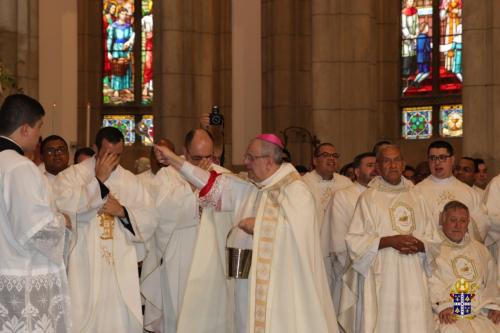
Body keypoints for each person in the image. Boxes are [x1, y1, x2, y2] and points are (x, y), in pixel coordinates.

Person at [154, 133, 339, 333]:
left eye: (250, 157)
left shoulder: (295, 190)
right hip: (247, 286)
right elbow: (210, 183)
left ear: (268, 161)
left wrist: (258, 226)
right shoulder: (252, 188)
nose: (245, 162)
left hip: (282, 290)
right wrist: (173, 159)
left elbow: (299, 238)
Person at [53, 126, 157, 332]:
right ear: (95, 149)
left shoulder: (130, 181)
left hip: (120, 266)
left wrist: (123, 212)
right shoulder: (72, 176)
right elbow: (62, 208)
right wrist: (97, 182)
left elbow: (150, 218)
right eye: (108, 154)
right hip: (84, 263)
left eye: (118, 155)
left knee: (119, 319)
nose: (113, 160)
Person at [141, 129, 235, 333]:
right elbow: (163, 215)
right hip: (180, 261)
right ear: (184, 151)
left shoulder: (222, 176)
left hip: (213, 261)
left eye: (208, 157)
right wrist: (194, 185)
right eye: (196, 158)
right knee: (181, 317)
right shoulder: (167, 174)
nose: (203, 163)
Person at [346, 145, 438, 333]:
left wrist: (421, 245)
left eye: (396, 160)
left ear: (403, 164)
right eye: (387, 161)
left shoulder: (417, 196)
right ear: (377, 167)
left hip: (414, 274)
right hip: (384, 275)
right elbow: (355, 241)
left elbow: (434, 238)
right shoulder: (368, 198)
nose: (393, 165)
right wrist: (388, 241)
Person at [0, 94, 71, 331]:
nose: (40, 135)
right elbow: (37, 230)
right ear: (25, 129)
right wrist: (63, 221)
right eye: (39, 127)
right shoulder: (19, 167)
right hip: (20, 279)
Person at [322, 152, 377, 331]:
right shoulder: (343, 197)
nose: (375, 169)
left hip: (382, 272)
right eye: (369, 165)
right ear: (356, 171)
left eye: (377, 164)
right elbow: (338, 242)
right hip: (352, 273)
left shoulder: (384, 196)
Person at [428, 200, 500, 332]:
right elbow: (430, 280)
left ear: (468, 224)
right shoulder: (433, 248)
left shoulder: (480, 249)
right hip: (449, 311)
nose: (458, 225)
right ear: (443, 220)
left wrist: (493, 306)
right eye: (453, 220)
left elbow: (492, 281)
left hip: (480, 310)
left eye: (462, 221)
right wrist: (444, 305)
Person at [414, 141, 491, 243]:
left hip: (462, 251)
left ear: (452, 160)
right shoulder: (417, 191)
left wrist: (459, 222)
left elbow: (483, 223)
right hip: (432, 252)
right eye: (432, 158)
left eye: (442, 157)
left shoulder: (469, 192)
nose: (437, 162)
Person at [302, 143, 352, 229]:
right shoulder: (304, 183)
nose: (332, 158)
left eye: (335, 156)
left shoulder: (346, 183)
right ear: (315, 160)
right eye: (325, 155)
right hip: (314, 235)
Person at [107, 7, 135, 99]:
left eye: (126, 14)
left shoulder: (128, 27)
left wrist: (129, 47)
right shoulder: (113, 26)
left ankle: (125, 87)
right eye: (122, 14)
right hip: (116, 48)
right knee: (117, 67)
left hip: (125, 49)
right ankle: (116, 89)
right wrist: (109, 51)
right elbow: (110, 39)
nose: (124, 16)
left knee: (126, 67)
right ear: (119, 14)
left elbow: (131, 39)